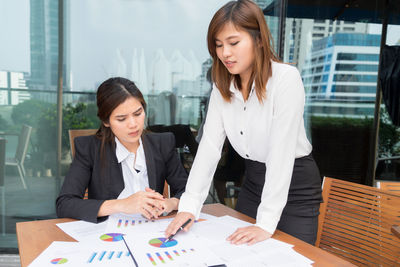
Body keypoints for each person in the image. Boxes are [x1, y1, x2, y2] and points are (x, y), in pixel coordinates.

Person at [165, 0, 322, 245]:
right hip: (254, 182)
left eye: (233, 43)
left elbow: (281, 153)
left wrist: (266, 223)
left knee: (293, 259)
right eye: (218, 45)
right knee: (239, 254)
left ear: (258, 39)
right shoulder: (222, 86)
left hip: (295, 185)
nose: (225, 53)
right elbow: (209, 147)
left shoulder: (285, 79)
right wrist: (189, 206)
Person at [56, 77, 188, 223]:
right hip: (108, 236)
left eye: (138, 113)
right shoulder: (89, 149)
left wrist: (170, 203)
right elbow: (65, 204)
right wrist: (122, 204)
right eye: (121, 119)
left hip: (152, 232)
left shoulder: (162, 144)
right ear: (106, 121)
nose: (133, 124)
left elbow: (188, 191)